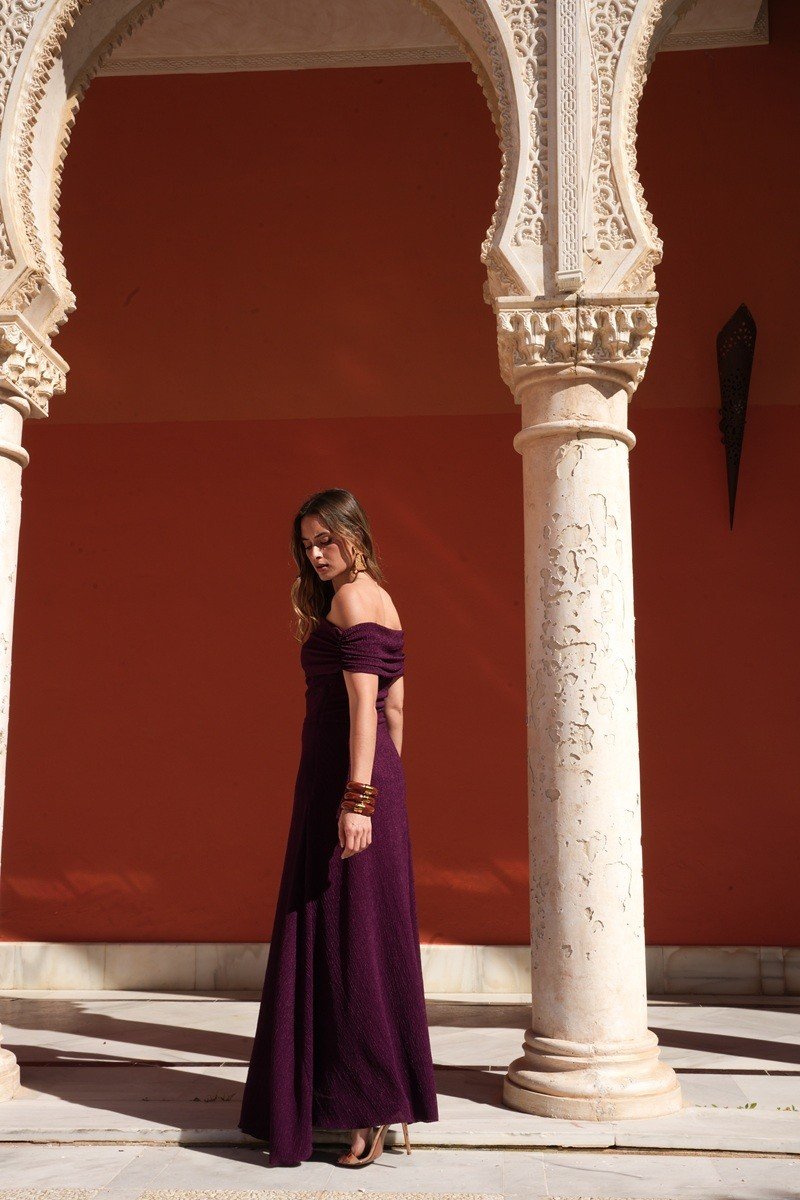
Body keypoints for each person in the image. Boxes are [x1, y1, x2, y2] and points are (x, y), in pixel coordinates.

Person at [238, 487, 439, 1167]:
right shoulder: (384, 598)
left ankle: (367, 1110)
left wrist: (358, 799)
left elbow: (364, 707)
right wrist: (387, 789)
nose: (317, 554)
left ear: (355, 533)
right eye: (307, 544)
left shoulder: (353, 599)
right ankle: (370, 1098)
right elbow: (398, 710)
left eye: (326, 539)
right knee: (363, 938)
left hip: (347, 785)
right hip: (371, 782)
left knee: (346, 942)